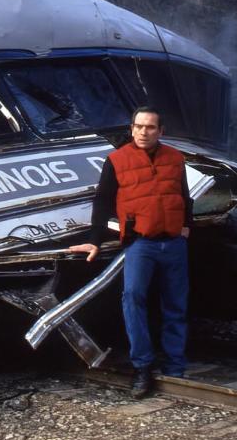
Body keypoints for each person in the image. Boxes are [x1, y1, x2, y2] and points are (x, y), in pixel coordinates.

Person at [69, 106, 193, 399]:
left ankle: (175, 367)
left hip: (174, 244)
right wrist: (95, 239)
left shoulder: (175, 158)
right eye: (138, 126)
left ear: (160, 131)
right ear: (132, 128)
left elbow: (184, 196)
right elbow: (102, 201)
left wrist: (187, 226)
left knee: (176, 304)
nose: (143, 132)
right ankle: (143, 367)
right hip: (140, 243)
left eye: (150, 127)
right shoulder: (117, 160)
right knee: (133, 297)